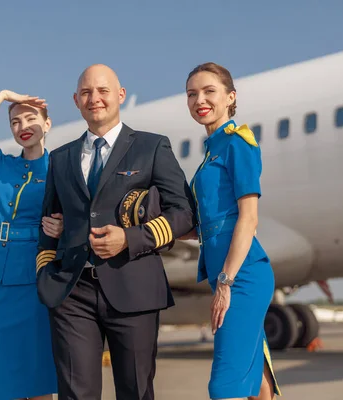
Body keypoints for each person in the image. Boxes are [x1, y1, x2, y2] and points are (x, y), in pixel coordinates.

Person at [35, 64, 195, 400]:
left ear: (120, 95)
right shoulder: (60, 159)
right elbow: (48, 223)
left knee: (135, 391)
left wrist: (130, 239)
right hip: (72, 293)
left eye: (103, 90)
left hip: (133, 286)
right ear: (76, 101)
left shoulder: (152, 147)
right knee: (76, 394)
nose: (95, 99)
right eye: (86, 93)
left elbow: (184, 213)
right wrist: (46, 275)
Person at [183, 62, 281, 400]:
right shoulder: (210, 154)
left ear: (230, 97)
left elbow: (248, 218)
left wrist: (225, 282)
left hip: (241, 275)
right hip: (229, 274)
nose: (200, 100)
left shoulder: (238, 143)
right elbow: (202, 227)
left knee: (225, 386)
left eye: (209, 91)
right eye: (192, 94)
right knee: (256, 383)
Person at [0, 90, 63, 400]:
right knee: (4, 377)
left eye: (31, 118)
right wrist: (2, 96)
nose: (23, 126)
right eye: (15, 121)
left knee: (39, 374)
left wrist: (63, 226)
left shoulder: (60, 169)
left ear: (48, 124)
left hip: (36, 274)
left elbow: (79, 216)